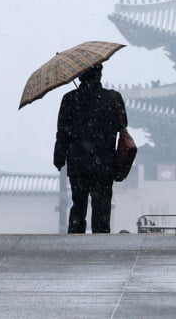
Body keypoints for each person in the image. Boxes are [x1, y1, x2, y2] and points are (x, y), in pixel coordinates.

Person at [53, 63, 127, 234]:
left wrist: (59, 156)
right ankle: (100, 238)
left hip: (78, 162)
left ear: (80, 77)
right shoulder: (113, 98)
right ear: (99, 75)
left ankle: (76, 236)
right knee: (102, 205)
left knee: (78, 203)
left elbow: (62, 131)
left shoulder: (70, 99)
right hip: (105, 162)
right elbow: (122, 124)